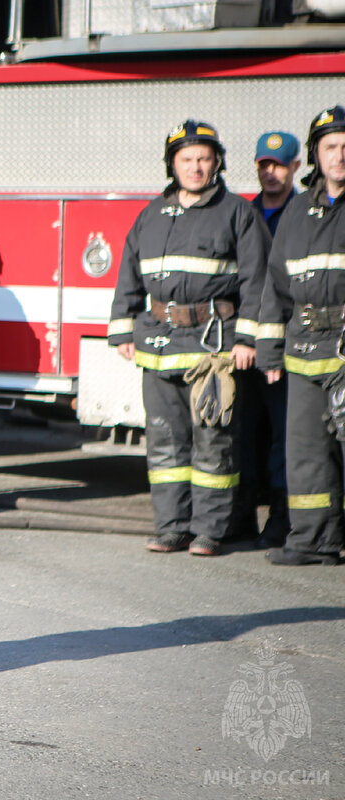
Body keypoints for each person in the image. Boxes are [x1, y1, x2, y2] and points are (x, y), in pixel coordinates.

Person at [108, 120, 268, 557]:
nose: (195, 167)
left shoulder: (238, 213)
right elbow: (128, 273)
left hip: (213, 348)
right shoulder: (152, 214)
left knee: (213, 441)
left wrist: (248, 340)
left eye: (203, 158)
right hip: (159, 344)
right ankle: (171, 527)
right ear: (172, 164)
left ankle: (211, 530)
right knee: (164, 440)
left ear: (216, 163)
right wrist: (123, 325)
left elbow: (258, 281)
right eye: (186, 159)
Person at [256, 105, 345, 566]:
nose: (340, 154)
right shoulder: (297, 212)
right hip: (305, 350)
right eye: (331, 146)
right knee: (307, 452)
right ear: (315, 154)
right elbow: (276, 286)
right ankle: (314, 541)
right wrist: (270, 351)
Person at [238, 131, 301, 547]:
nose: (270, 172)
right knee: (243, 429)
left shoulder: (305, 212)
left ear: (296, 166)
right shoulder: (243, 213)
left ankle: (281, 516)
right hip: (245, 342)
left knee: (284, 431)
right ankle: (240, 514)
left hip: (287, 343)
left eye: (278, 164)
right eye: (264, 164)